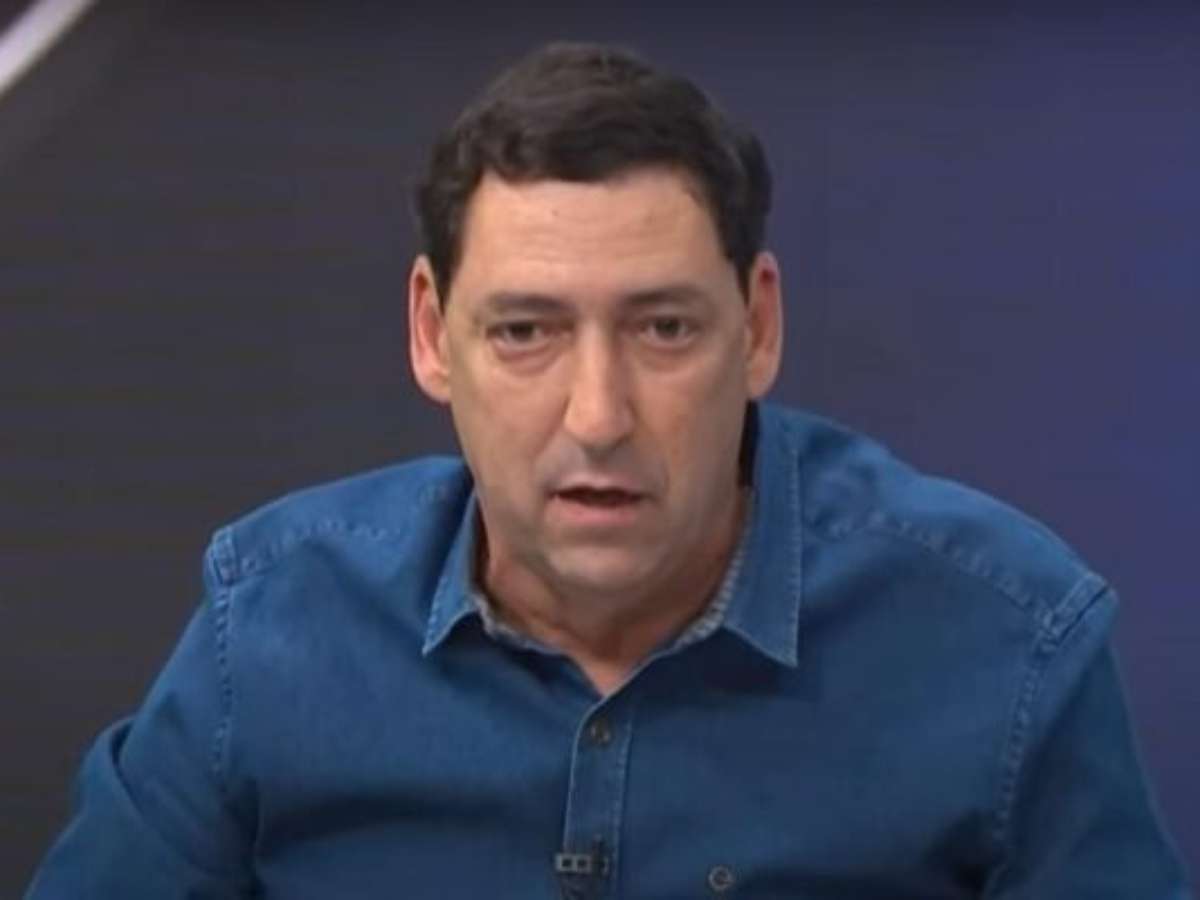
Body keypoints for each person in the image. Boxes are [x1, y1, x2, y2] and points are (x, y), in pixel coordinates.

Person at [26, 42, 1191, 900]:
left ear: (758, 327)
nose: (598, 416)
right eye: (525, 331)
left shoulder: (1006, 643)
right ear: (432, 335)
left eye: (664, 329)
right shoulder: (274, 627)